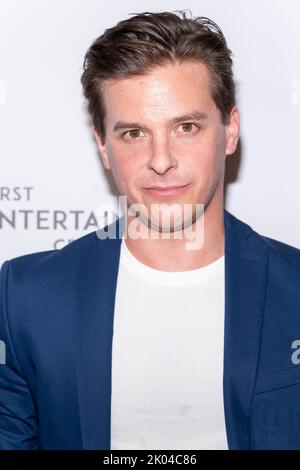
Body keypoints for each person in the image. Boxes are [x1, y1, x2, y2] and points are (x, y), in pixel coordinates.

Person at [1, 10, 300, 451]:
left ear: (230, 131)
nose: (161, 161)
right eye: (134, 133)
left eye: (186, 127)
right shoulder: (26, 297)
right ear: (103, 146)